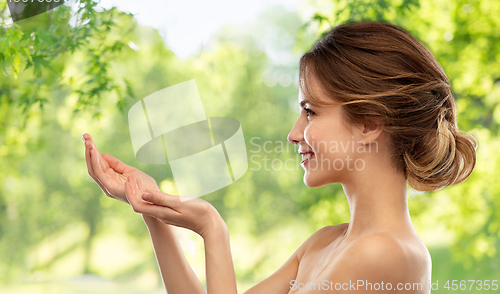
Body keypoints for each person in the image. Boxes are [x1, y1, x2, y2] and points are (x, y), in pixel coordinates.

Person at [83, 21, 477, 293]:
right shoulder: (326, 243)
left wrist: (212, 228)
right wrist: (151, 209)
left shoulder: (385, 254)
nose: (293, 133)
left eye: (311, 111)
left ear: (368, 124)